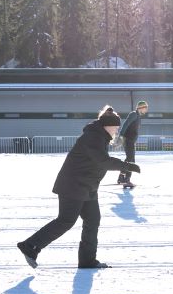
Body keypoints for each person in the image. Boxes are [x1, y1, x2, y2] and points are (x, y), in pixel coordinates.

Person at [17, 106, 137, 270]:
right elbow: (102, 161)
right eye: (116, 126)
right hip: (73, 185)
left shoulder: (100, 137)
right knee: (65, 220)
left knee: (93, 220)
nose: (117, 129)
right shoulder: (92, 137)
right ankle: (30, 245)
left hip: (87, 187)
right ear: (107, 125)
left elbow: (99, 163)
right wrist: (126, 166)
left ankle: (87, 260)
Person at [117, 100, 149, 187]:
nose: (146, 110)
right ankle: (126, 180)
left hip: (131, 140)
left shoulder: (138, 116)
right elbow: (125, 124)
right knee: (131, 160)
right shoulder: (134, 114)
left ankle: (121, 177)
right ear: (141, 108)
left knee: (129, 159)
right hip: (128, 140)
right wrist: (121, 136)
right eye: (146, 108)